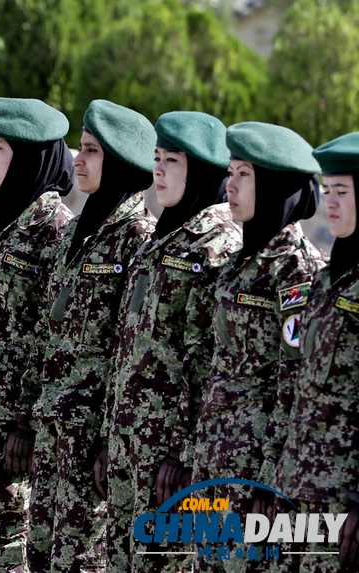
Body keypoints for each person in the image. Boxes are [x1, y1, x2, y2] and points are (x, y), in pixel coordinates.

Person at [106, 111, 242, 573]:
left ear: (200, 170)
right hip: (130, 437)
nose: (158, 170)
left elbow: (208, 361)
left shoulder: (216, 244)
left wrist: (185, 455)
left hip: (169, 454)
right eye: (157, 158)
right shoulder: (162, 235)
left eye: (172, 161)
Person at [25, 100, 156, 573]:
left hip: (93, 438)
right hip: (53, 425)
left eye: (91, 151)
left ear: (119, 160)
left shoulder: (138, 239)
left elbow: (129, 350)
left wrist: (106, 441)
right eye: (79, 149)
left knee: (81, 559)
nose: (77, 160)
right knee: (40, 551)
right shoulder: (76, 233)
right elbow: (48, 331)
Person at [192, 122, 325, 571]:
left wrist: (269, 481)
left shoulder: (296, 271)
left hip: (254, 476)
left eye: (244, 174)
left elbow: (295, 387)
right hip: (214, 458)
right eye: (230, 173)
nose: (230, 185)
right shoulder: (240, 260)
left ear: (273, 184)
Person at [0, 97, 75, 572]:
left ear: (27, 156)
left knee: (4, 546)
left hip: (12, 427)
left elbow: (53, 338)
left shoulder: (55, 231)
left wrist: (24, 423)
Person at [261, 131, 359, 573]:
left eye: (343, 192)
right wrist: (275, 475)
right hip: (297, 486)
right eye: (327, 190)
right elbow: (294, 383)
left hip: (342, 501)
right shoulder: (320, 282)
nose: (330, 203)